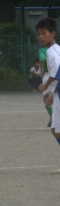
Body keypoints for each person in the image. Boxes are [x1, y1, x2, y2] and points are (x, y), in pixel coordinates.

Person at [36, 18, 60, 148]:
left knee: (57, 130)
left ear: (53, 34)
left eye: (44, 33)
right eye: (39, 34)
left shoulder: (52, 51)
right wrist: (53, 95)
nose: (41, 37)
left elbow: (56, 74)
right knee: (55, 130)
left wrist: (44, 86)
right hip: (58, 94)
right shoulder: (52, 50)